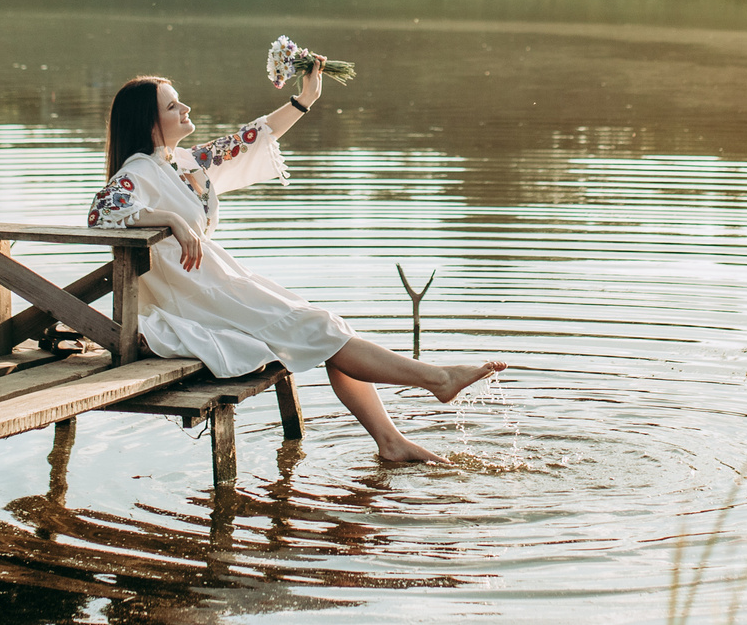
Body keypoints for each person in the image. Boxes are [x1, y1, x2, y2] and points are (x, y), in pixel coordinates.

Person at [87, 64, 504, 465]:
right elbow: (101, 213)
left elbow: (249, 138)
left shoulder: (184, 164)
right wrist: (172, 218)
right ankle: (436, 381)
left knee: (324, 327)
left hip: (219, 286)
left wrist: (304, 100)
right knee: (320, 328)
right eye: (173, 106)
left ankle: (392, 440)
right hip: (192, 300)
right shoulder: (138, 171)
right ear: (149, 121)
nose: (186, 110)